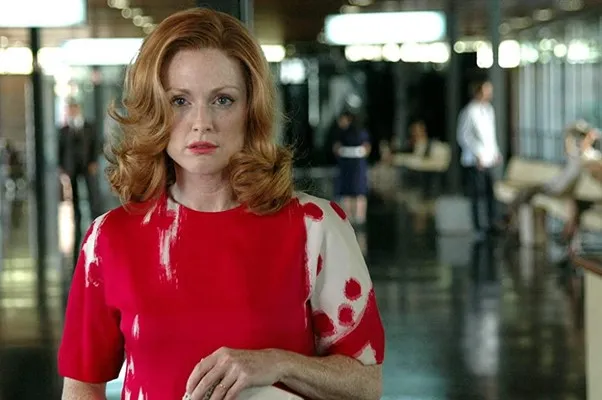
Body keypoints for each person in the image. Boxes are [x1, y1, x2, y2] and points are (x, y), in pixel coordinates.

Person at [58, 8, 384, 400]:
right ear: (154, 109)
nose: (202, 122)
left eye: (223, 100)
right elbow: (81, 387)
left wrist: (279, 363)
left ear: (251, 110)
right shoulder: (110, 239)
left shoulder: (314, 227)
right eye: (180, 100)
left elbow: (366, 385)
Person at [502, 121, 601, 237]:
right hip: (555, 184)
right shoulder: (577, 154)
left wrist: (589, 138)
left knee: (527, 192)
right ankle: (512, 220)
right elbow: (570, 146)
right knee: (525, 193)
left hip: (558, 188)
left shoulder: (587, 156)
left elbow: (588, 159)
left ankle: (510, 220)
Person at [457, 80, 502, 237]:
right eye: (486, 91)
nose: (490, 94)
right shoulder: (469, 111)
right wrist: (477, 154)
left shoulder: (488, 110)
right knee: (477, 194)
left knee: (489, 193)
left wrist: (495, 152)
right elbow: (464, 136)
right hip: (475, 160)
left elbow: (490, 136)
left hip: (488, 159)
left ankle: (491, 223)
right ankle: (478, 226)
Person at [58, 99, 102, 257]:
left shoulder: (89, 126)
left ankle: (96, 218)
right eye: (70, 109)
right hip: (72, 169)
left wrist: (94, 161)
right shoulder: (64, 130)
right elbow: (60, 148)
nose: (72, 111)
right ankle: (77, 217)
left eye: (74, 108)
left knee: (92, 193)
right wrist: (62, 167)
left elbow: (96, 144)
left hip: (87, 166)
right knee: (74, 195)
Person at [333, 111, 371, 225]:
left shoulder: (360, 132)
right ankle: (348, 219)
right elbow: (336, 148)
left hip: (358, 167)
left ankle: (359, 219)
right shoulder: (340, 134)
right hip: (346, 167)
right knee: (347, 193)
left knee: (359, 192)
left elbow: (367, 148)